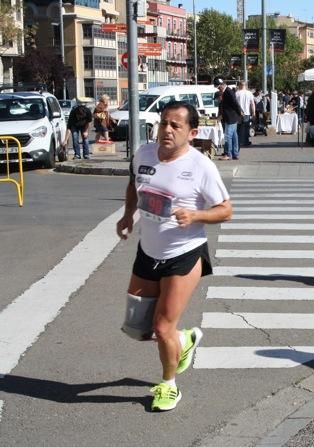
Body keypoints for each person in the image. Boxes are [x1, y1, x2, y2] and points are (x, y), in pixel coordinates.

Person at [115, 101, 232, 412]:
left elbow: (226, 210)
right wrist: (128, 216)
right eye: (163, 123)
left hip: (183, 254)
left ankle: (168, 385)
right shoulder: (143, 154)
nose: (166, 130)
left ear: (192, 133)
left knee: (163, 327)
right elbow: (133, 184)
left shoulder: (201, 166)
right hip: (148, 251)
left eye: (175, 126)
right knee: (138, 327)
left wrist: (194, 216)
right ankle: (185, 341)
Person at [215, 77, 243, 160]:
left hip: (231, 117)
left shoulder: (228, 92)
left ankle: (228, 154)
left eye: (219, 87)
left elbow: (235, 103)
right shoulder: (226, 92)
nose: (218, 88)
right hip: (232, 117)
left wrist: (240, 112)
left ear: (222, 84)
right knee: (234, 136)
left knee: (228, 136)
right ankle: (235, 153)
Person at [235, 81, 255, 148]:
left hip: (238, 113)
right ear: (246, 86)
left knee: (238, 128)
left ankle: (238, 142)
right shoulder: (249, 93)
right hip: (247, 113)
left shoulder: (237, 93)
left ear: (239, 85)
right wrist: (254, 113)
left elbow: (235, 104)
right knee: (246, 128)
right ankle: (246, 142)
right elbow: (252, 104)